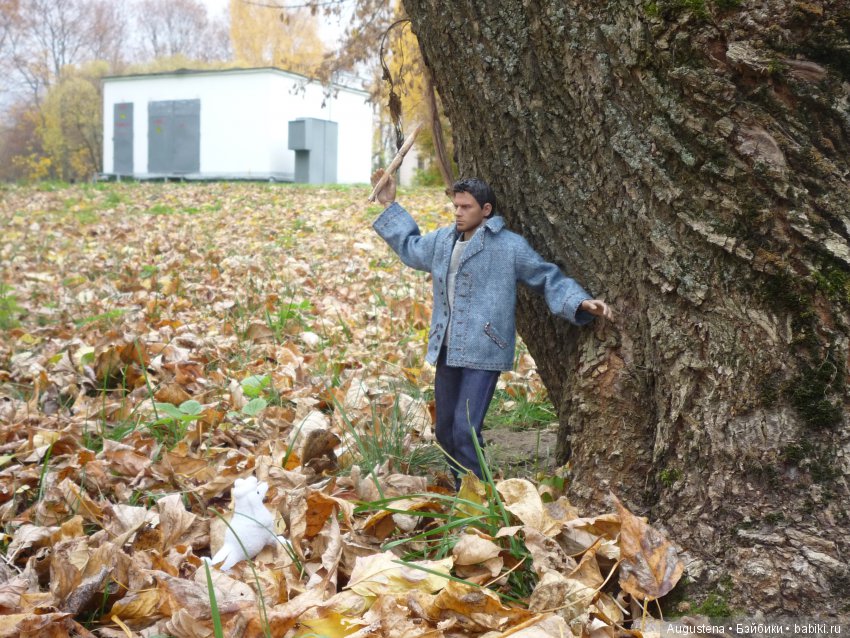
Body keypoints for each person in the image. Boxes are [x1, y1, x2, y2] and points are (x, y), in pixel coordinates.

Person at [370, 169, 612, 486]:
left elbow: (544, 275)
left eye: (466, 207)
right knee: (445, 431)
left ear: (485, 210)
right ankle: (466, 489)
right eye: (456, 206)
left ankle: (481, 496)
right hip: (447, 348)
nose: (458, 212)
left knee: (465, 429)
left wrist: (578, 301)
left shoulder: (508, 246)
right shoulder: (443, 240)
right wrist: (389, 204)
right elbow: (411, 247)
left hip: (484, 348)